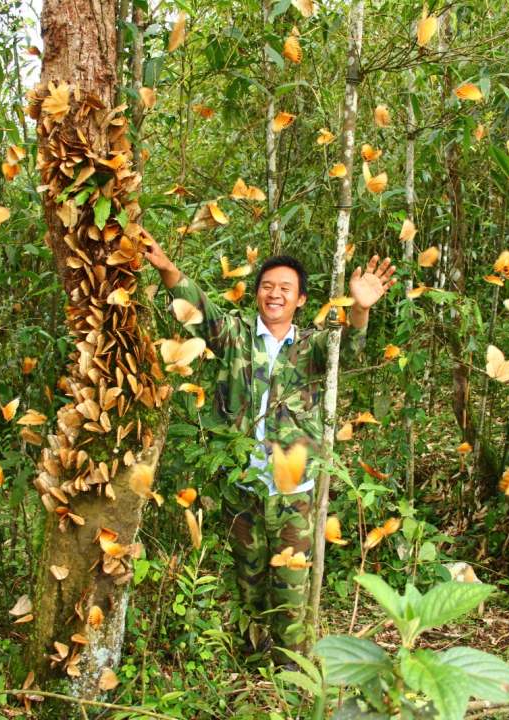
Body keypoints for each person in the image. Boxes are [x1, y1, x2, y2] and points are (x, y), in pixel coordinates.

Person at [144, 240, 396, 662]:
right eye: (266, 285)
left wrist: (361, 307)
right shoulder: (236, 335)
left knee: (291, 588)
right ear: (257, 292)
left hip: (295, 490)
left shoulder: (315, 346)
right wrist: (166, 267)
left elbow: (349, 347)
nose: (273, 293)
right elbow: (199, 308)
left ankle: (289, 670)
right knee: (248, 579)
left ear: (300, 300)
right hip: (242, 484)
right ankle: (251, 663)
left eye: (284, 287)